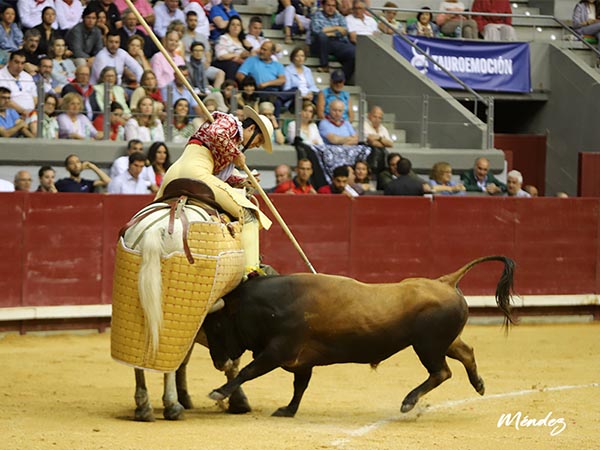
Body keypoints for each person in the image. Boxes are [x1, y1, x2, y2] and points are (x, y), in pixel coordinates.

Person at [155, 105, 274, 271]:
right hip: (196, 174)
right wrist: (235, 154)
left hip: (173, 175)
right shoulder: (231, 123)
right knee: (249, 215)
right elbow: (215, 133)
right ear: (251, 128)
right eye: (259, 140)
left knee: (154, 211)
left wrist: (243, 181)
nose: (257, 145)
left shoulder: (230, 140)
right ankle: (250, 272)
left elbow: (218, 176)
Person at [310, 0, 355, 79]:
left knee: (354, 52)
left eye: (333, 6)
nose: (331, 8)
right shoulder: (317, 15)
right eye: (328, 5)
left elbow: (344, 31)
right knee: (322, 36)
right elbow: (317, 30)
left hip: (336, 42)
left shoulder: (339, 16)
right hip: (319, 44)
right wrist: (336, 28)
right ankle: (324, 65)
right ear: (323, 6)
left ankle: (341, 78)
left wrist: (330, 33)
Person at [0, 51, 38, 136]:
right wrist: (24, 111)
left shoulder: (27, 76)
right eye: (16, 62)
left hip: (30, 113)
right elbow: (5, 100)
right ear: (9, 62)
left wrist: (29, 111)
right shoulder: (1, 76)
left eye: (22, 63)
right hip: (12, 113)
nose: (19, 66)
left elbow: (35, 98)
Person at [213, 17, 251, 82]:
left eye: (238, 25)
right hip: (224, 63)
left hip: (241, 63)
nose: (235, 27)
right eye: (233, 24)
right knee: (233, 65)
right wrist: (238, 56)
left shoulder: (243, 41)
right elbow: (221, 55)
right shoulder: (224, 38)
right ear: (229, 27)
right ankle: (230, 88)